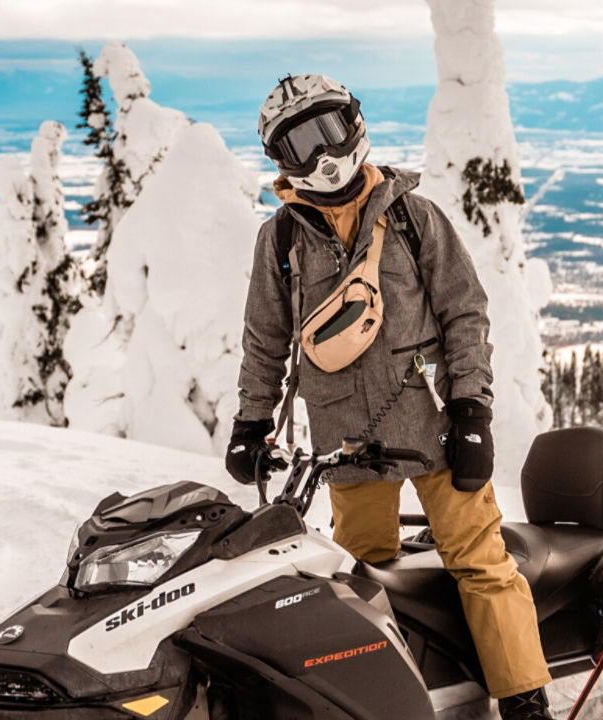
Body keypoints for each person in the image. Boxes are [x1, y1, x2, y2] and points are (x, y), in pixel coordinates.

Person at [225, 74, 555, 719]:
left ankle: (525, 703)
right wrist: (251, 420)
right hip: (345, 441)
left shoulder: (413, 218)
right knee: (365, 577)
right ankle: (399, 699)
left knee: (481, 565)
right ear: (280, 158)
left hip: (432, 425)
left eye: (328, 131)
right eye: (300, 143)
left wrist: (472, 413)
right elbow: (265, 339)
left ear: (354, 125)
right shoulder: (282, 240)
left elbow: (465, 315)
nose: (322, 156)